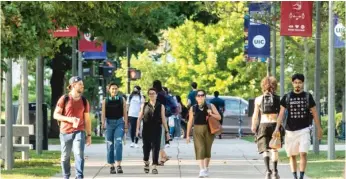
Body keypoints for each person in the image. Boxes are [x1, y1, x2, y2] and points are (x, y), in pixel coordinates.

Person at [273, 74, 323, 179]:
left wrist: (319, 128)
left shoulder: (308, 96)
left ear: (303, 83)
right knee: (292, 155)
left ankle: (301, 176)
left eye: (300, 82)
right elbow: (281, 114)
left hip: (304, 129)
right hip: (290, 131)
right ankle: (295, 176)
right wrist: (276, 128)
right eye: (295, 82)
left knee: (303, 153)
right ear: (292, 83)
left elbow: (314, 113)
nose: (297, 85)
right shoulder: (287, 97)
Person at [53, 76, 91, 179]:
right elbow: (55, 115)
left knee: (79, 153)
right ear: (73, 85)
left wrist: (89, 135)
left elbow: (87, 119)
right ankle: (66, 176)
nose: (82, 86)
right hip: (65, 132)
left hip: (79, 131)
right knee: (65, 156)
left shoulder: (84, 101)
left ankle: (79, 176)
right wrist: (69, 119)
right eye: (80, 84)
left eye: (82, 84)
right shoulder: (64, 99)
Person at [251, 76, 282, 179]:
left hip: (263, 125)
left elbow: (255, 115)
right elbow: (281, 115)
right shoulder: (279, 99)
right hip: (275, 125)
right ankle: (275, 171)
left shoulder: (258, 99)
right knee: (274, 149)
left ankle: (268, 171)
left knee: (265, 149)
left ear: (263, 86)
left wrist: (253, 126)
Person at [186, 90, 221, 178]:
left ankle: (206, 168)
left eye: (202, 95)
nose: (200, 97)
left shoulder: (210, 106)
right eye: (198, 95)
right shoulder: (193, 108)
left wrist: (211, 114)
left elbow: (219, 117)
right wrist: (187, 135)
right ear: (196, 97)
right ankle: (201, 169)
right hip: (197, 129)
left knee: (207, 150)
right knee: (200, 148)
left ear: (205, 96)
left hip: (209, 130)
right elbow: (190, 122)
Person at [136, 88, 170, 174]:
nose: (152, 95)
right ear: (148, 95)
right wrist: (137, 129)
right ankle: (146, 162)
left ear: (156, 95)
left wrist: (167, 132)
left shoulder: (161, 106)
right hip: (146, 129)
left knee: (156, 148)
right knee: (146, 148)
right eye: (150, 93)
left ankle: (154, 166)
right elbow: (139, 118)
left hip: (157, 129)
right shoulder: (144, 105)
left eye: (153, 93)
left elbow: (163, 119)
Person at [101, 82, 128, 174]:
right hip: (109, 124)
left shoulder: (122, 100)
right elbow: (103, 114)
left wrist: (126, 125)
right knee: (110, 144)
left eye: (116, 88)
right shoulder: (105, 101)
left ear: (118, 89)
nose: (114, 90)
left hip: (119, 123)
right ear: (109, 90)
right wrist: (103, 124)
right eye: (112, 89)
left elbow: (125, 113)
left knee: (118, 143)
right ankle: (112, 165)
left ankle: (119, 165)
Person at [152, 80, 171, 163]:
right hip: (164, 116)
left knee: (159, 137)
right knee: (160, 137)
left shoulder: (158, 95)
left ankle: (163, 157)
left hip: (159, 118)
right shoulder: (164, 93)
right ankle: (164, 156)